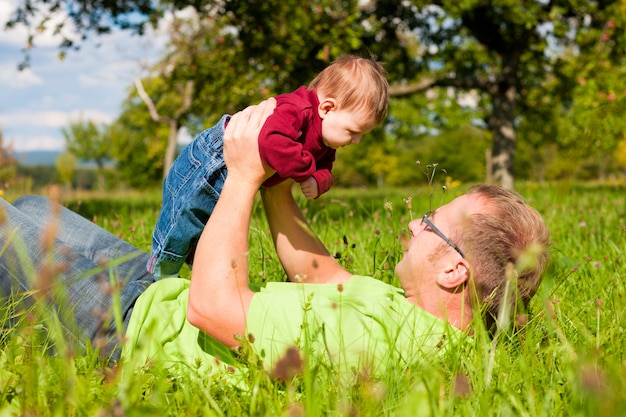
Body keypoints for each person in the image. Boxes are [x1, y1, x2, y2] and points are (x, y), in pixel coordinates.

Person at [0, 100, 550, 381]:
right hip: (146, 292)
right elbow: (321, 275)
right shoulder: (408, 318)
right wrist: (276, 182)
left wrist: (241, 176)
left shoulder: (387, 344)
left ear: (453, 270)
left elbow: (213, 309)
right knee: (27, 209)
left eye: (429, 223)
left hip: (123, 328)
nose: (412, 225)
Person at [148, 55, 389, 279]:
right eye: (353, 132)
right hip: (214, 159)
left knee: (206, 233)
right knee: (184, 218)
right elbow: (272, 141)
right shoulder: (296, 109)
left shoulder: (327, 140)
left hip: (236, 170)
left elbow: (325, 169)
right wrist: (306, 171)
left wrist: (318, 182)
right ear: (326, 108)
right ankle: (158, 275)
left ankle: (195, 278)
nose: (356, 141)